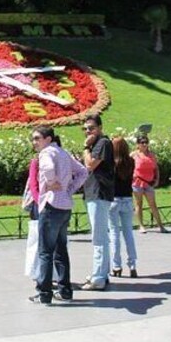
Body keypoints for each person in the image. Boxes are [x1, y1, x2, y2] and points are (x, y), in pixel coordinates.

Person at [29, 126, 88, 305]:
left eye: (37, 138)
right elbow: (83, 172)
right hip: (64, 206)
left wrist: (51, 181)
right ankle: (65, 290)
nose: (35, 142)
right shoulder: (63, 153)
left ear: (48, 138)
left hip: (51, 206)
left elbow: (46, 168)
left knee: (45, 251)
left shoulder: (46, 153)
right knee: (61, 251)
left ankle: (44, 293)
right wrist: (69, 190)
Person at [81, 114, 115, 291]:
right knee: (100, 235)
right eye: (85, 129)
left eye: (91, 128)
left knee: (98, 237)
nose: (87, 131)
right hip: (94, 193)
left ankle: (99, 277)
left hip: (99, 193)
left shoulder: (102, 143)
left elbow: (90, 164)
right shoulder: (98, 144)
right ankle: (102, 272)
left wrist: (85, 148)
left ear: (100, 128)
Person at [108, 137, 138, 278]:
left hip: (113, 199)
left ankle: (116, 266)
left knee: (114, 233)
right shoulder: (130, 162)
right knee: (128, 233)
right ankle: (132, 265)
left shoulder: (111, 163)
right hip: (127, 199)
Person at [131, 134, 166, 233]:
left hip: (149, 183)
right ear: (138, 144)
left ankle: (161, 226)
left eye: (146, 142)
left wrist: (157, 179)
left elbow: (156, 168)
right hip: (137, 182)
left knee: (153, 204)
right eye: (142, 143)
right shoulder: (134, 155)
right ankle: (141, 226)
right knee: (139, 204)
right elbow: (127, 166)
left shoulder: (151, 155)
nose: (145, 144)